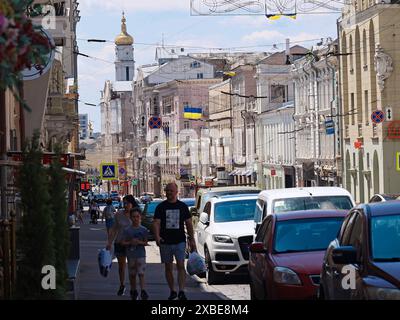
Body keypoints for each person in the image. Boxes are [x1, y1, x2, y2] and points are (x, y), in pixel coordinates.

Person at [153, 182, 197, 300]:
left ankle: (181, 290)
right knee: (168, 267)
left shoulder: (182, 206)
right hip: (165, 241)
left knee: (180, 265)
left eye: (171, 191)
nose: (169, 193)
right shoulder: (161, 207)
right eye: (167, 191)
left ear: (176, 192)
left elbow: (189, 224)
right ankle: (172, 290)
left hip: (179, 241)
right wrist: (157, 237)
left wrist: (192, 239)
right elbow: (156, 223)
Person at [106, 194, 139, 296]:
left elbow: (140, 229)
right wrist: (109, 242)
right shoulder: (118, 214)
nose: (125, 205)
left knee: (132, 267)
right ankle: (122, 285)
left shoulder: (136, 215)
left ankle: (133, 289)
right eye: (123, 203)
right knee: (121, 266)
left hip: (131, 244)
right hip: (119, 243)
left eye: (127, 203)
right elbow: (114, 229)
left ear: (131, 203)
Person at [121, 207, 149, 300]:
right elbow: (122, 242)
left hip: (140, 254)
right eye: (133, 217)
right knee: (132, 274)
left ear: (140, 217)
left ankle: (143, 290)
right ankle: (133, 290)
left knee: (141, 273)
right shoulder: (127, 230)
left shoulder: (143, 230)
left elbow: (146, 242)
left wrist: (139, 242)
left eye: (137, 217)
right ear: (130, 217)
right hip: (131, 255)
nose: (135, 219)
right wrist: (130, 242)